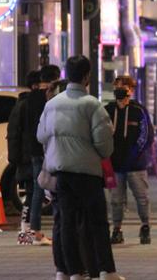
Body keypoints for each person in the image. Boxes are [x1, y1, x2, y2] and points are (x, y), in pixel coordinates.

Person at [37, 55, 124, 280]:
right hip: (87, 175)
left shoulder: (51, 105)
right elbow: (104, 146)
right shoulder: (92, 105)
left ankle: (71, 272)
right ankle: (106, 270)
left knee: (66, 223)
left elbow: (41, 136)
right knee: (96, 222)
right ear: (87, 76)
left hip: (61, 174)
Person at [104, 76, 154, 245]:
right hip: (114, 164)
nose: (121, 89)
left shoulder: (138, 110)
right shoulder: (107, 110)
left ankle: (145, 226)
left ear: (131, 90)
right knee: (116, 199)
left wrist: (135, 154)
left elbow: (146, 135)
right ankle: (117, 229)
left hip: (136, 164)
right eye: (117, 86)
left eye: (124, 87)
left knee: (142, 197)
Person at [24, 64, 61, 245]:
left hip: (34, 148)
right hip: (46, 148)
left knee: (38, 188)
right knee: (48, 188)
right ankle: (38, 232)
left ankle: (35, 230)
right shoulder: (49, 98)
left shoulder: (30, 97)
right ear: (54, 79)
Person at [7, 70, 40, 244]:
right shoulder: (27, 105)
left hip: (24, 156)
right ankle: (26, 232)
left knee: (32, 194)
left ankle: (25, 231)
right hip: (28, 156)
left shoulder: (21, 104)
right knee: (33, 194)